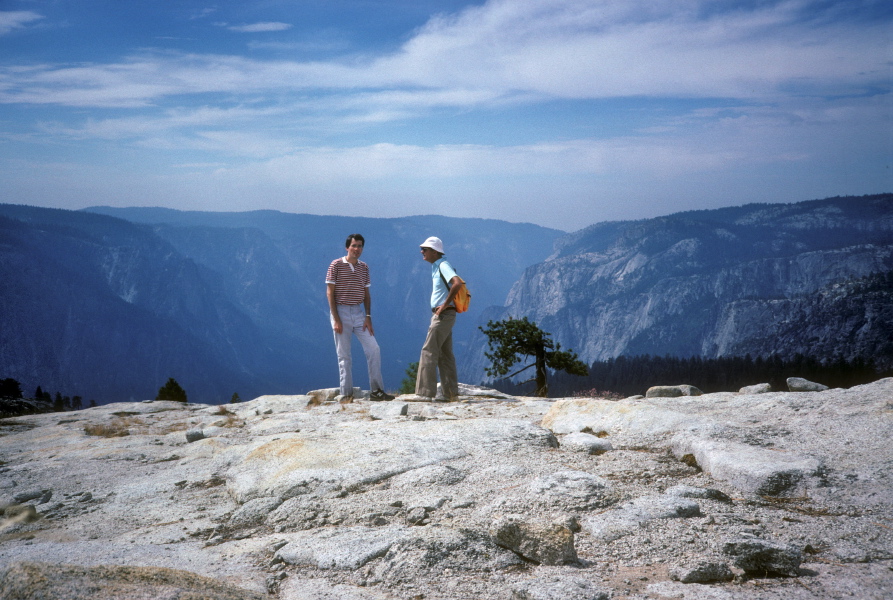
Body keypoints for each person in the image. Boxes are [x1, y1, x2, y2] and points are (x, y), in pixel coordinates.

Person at [326, 234, 394, 401]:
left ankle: (377, 391)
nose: (357, 249)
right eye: (354, 246)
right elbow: (330, 292)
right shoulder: (336, 265)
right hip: (340, 311)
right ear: (347, 247)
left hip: (359, 313)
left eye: (360, 246)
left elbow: (366, 294)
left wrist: (368, 316)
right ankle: (346, 394)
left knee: (374, 349)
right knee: (344, 355)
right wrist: (336, 319)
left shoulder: (364, 267)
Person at [416, 236, 463, 401]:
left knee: (428, 350)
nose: (422, 252)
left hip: (443, 314)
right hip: (445, 314)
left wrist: (443, 305)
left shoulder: (443, 265)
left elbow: (456, 283)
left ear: (435, 252)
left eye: (425, 249)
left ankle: (424, 393)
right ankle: (450, 393)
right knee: (445, 353)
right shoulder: (438, 266)